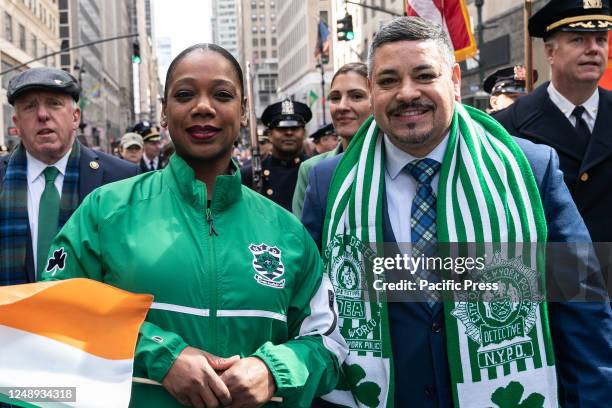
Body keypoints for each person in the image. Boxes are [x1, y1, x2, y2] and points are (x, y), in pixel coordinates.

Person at [302, 17, 612, 408]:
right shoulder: (328, 184)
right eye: (388, 81)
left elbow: (582, 303)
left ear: (453, 79)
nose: (406, 93)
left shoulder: (530, 168)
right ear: (372, 89)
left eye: (423, 75)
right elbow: (310, 315)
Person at [41, 43, 346, 408]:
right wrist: (160, 355)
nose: (203, 106)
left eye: (222, 94)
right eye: (185, 94)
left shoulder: (287, 231)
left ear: (243, 111)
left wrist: (273, 369)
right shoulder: (106, 210)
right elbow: (54, 307)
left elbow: (329, 344)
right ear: (165, 113)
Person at [494, 0, 612, 285]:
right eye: (577, 39)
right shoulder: (506, 126)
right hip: (548, 286)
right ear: (549, 51)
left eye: (600, 39)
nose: (593, 49)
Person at [0, 67, 138, 286]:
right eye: (30, 106)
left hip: (91, 317)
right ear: (17, 124)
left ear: (75, 117)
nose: (42, 115)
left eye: (54, 103)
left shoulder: (122, 178)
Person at [292, 62, 371, 218]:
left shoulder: (398, 163)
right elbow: (302, 237)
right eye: (335, 98)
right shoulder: (311, 169)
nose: (342, 106)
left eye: (356, 96)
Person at [241, 98, 311, 211]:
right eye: (281, 128)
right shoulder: (250, 174)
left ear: (304, 133)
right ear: (269, 135)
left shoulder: (315, 170)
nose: (289, 133)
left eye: (295, 128)